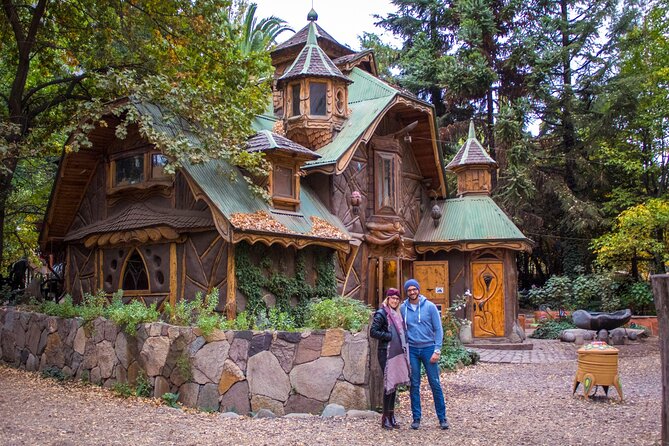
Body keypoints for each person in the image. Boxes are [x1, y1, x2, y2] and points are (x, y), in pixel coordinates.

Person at [400, 278, 449, 430]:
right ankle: (416, 418)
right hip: (412, 350)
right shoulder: (403, 308)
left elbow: (438, 329)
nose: (412, 292)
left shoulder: (430, 307)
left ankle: (442, 418)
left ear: (418, 290)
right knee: (414, 384)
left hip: (428, 348)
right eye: (409, 290)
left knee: (435, 383)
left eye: (414, 289)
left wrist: (437, 349)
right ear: (406, 292)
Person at [370, 288, 411, 430]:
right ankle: (385, 418)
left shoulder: (397, 315)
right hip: (385, 353)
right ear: (387, 299)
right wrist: (389, 336)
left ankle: (391, 415)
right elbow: (373, 332)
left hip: (397, 354)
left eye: (396, 299)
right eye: (392, 298)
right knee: (389, 383)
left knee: (394, 385)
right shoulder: (382, 313)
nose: (394, 301)